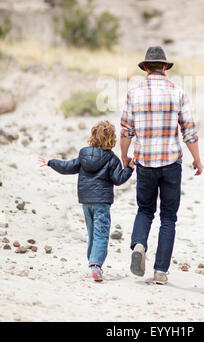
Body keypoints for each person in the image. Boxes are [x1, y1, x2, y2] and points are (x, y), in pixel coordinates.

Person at [120, 46, 203, 285]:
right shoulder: (177, 93)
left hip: (145, 162)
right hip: (171, 164)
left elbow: (126, 130)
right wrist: (197, 159)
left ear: (145, 67)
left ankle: (138, 244)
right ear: (165, 67)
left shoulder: (133, 94)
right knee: (168, 217)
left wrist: (125, 156)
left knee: (145, 210)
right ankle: (160, 272)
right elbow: (189, 131)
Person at [39, 120, 135, 282]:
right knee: (101, 234)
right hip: (101, 202)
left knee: (92, 233)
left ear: (93, 136)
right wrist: (130, 169)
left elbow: (67, 167)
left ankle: (93, 262)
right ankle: (96, 266)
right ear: (111, 139)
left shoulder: (83, 155)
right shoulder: (112, 159)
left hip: (86, 201)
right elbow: (118, 179)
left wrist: (50, 162)